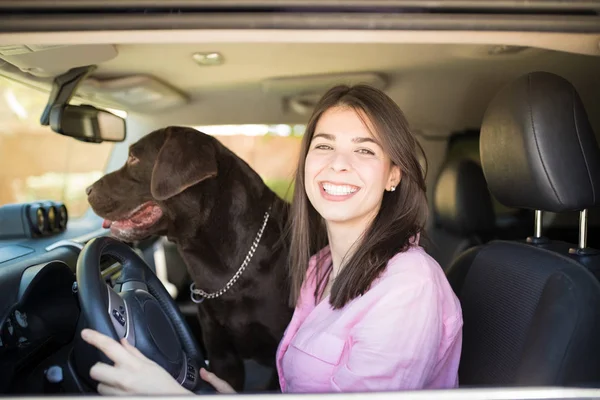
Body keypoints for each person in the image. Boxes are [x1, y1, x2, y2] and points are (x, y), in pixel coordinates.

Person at [80, 84, 463, 395]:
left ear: (393, 175)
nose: (338, 164)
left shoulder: (409, 286)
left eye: (364, 149)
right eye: (324, 146)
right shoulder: (320, 267)